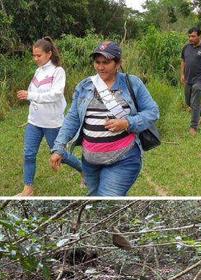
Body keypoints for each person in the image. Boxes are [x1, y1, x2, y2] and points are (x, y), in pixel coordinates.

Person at [50, 41, 159, 196]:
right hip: (90, 162)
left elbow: (153, 112)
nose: (100, 67)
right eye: (97, 62)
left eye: (106, 62)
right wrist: (59, 148)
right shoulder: (85, 86)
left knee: (108, 198)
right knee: (95, 200)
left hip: (124, 158)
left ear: (118, 63)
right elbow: (72, 118)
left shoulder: (132, 84)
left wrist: (127, 123)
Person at [15, 37, 82, 196]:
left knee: (61, 155)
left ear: (49, 54)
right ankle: (28, 188)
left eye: (38, 55)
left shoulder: (58, 71)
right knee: (29, 153)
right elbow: (35, 93)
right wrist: (29, 96)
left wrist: (30, 95)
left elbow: (56, 95)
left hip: (52, 123)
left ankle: (85, 171)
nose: (35, 59)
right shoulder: (38, 71)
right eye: (34, 55)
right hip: (34, 121)